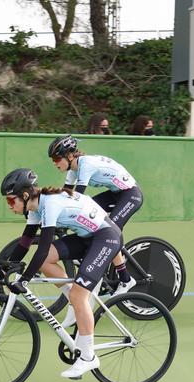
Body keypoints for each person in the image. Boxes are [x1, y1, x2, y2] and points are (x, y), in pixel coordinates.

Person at [0, 169, 122, 378]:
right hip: (86, 237)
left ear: (25, 196)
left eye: (10, 201)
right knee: (49, 266)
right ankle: (76, 301)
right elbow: (24, 244)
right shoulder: (35, 208)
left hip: (106, 237)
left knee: (79, 294)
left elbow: (42, 247)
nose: (10, 206)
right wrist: (1, 271)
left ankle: (88, 357)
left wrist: (24, 280)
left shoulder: (50, 205)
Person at [48, 135, 142, 326]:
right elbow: (66, 196)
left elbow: (78, 199)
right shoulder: (73, 170)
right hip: (116, 193)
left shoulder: (86, 165)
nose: (55, 164)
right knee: (92, 219)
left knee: (109, 229)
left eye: (57, 159)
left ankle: (125, 278)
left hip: (130, 194)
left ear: (69, 155)